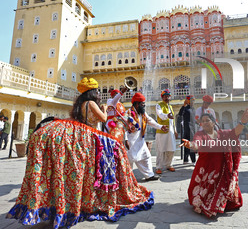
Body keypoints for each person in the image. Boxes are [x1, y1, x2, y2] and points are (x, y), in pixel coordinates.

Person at [7, 77, 154, 228]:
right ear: (92, 92)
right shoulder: (91, 103)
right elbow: (103, 118)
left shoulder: (80, 104)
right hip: (91, 135)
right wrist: (104, 109)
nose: (98, 92)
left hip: (83, 134)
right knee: (115, 148)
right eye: (97, 90)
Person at [181, 109, 248, 217]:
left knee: (232, 203)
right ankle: (213, 203)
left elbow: (235, 132)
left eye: (207, 120)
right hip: (206, 171)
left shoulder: (223, 134)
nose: (204, 122)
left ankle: (220, 203)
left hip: (223, 171)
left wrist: (242, 122)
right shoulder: (200, 134)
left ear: (214, 122)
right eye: (203, 121)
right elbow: (197, 144)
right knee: (199, 200)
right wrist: (190, 145)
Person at [126, 92, 169, 181]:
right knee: (129, 160)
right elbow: (122, 127)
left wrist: (160, 126)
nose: (144, 106)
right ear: (137, 104)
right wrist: (125, 139)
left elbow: (150, 121)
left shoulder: (143, 113)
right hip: (130, 141)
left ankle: (149, 175)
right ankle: (127, 178)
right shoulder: (128, 113)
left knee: (146, 156)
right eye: (142, 104)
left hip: (140, 140)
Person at [155, 89, 178, 174]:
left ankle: (169, 165)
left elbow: (173, 120)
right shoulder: (159, 105)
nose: (167, 98)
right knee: (161, 150)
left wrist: (175, 131)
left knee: (171, 149)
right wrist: (167, 116)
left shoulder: (170, 107)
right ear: (162, 97)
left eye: (168, 96)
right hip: (162, 130)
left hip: (170, 131)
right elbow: (160, 115)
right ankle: (159, 167)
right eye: (165, 96)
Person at [179, 95, 196, 164]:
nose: (193, 102)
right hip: (188, 128)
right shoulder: (185, 109)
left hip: (192, 128)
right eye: (191, 100)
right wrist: (184, 105)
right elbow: (180, 114)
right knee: (191, 144)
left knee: (187, 144)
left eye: (193, 100)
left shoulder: (193, 109)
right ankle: (193, 160)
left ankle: (185, 160)